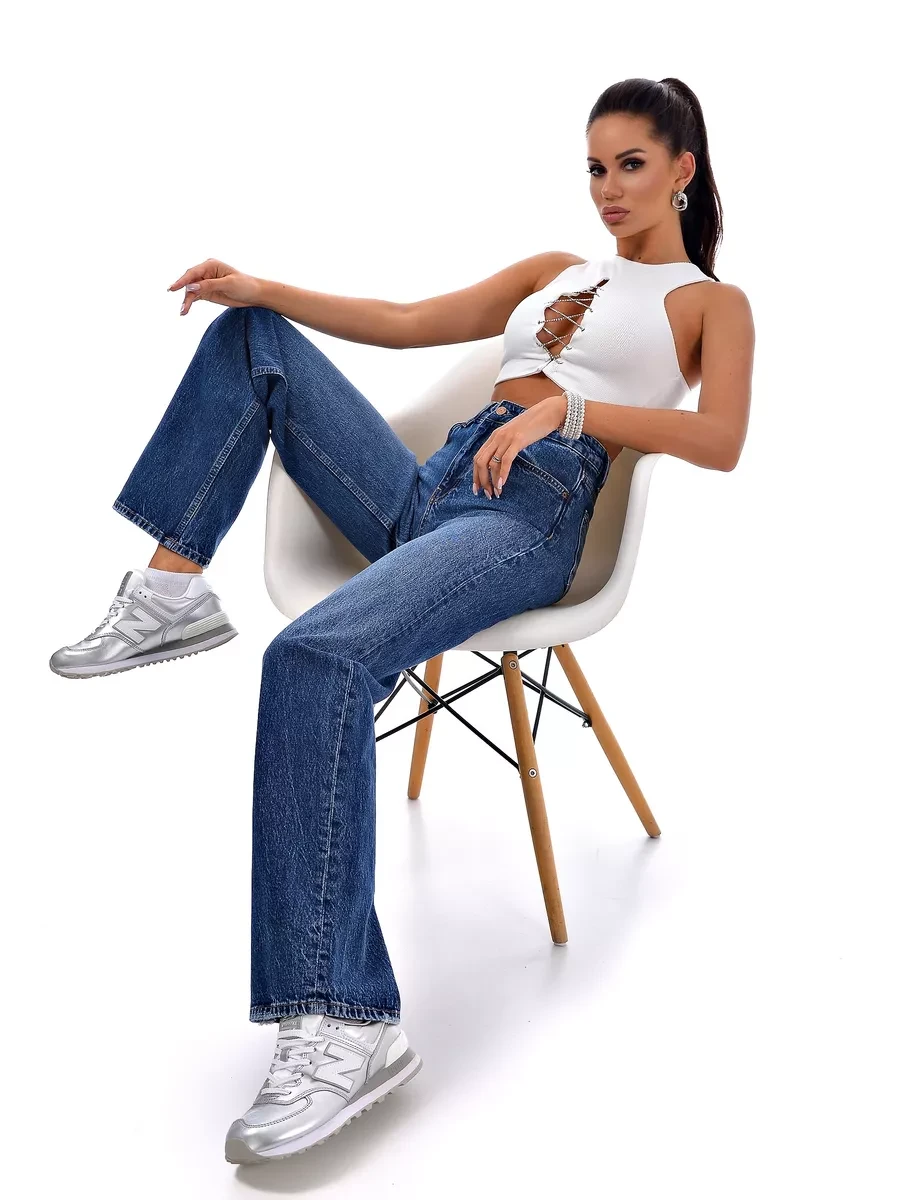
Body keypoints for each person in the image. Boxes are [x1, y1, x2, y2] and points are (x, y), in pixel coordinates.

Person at [48, 77, 754, 1165]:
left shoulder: (710, 303)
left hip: (528, 517)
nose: (608, 189)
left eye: (631, 165)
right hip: (429, 489)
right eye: (594, 167)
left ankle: (348, 1024)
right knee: (253, 337)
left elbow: (722, 440)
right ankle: (172, 592)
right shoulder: (553, 271)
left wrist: (572, 410)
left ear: (682, 171)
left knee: (314, 658)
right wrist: (264, 285)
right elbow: (409, 323)